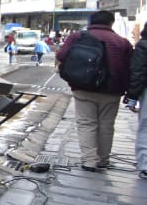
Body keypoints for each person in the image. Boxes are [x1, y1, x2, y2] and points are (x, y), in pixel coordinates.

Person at [54, 11, 132, 173]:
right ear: (111, 23)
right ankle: (103, 160)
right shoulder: (122, 42)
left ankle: (89, 161)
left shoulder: (77, 37)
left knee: (86, 124)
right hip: (112, 90)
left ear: (91, 22)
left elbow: (61, 55)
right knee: (106, 126)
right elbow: (130, 68)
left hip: (84, 87)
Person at [126, 33, 147, 178]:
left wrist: (132, 97)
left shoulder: (144, 45)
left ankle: (145, 165)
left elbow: (138, 72)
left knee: (145, 128)